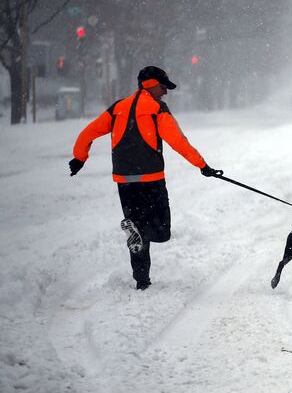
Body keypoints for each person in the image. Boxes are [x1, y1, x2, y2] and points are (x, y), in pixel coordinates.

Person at [68, 66, 221, 290]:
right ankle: (143, 236)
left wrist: (79, 158)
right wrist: (202, 166)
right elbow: (178, 141)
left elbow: (88, 132)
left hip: (125, 180)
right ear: (151, 84)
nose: (166, 92)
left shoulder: (118, 108)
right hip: (151, 179)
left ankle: (142, 279)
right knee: (160, 228)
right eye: (163, 87)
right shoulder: (156, 108)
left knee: (137, 228)